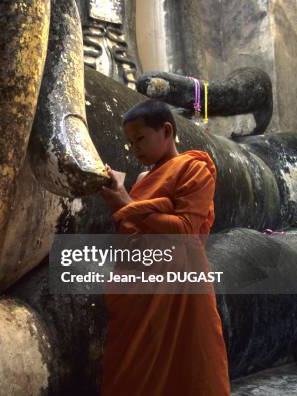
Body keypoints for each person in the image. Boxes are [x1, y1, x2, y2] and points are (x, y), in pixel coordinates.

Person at [99, 99, 230, 395]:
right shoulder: (144, 179)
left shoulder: (195, 169)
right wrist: (117, 198)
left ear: (167, 130)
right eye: (131, 142)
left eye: (141, 138)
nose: (135, 148)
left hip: (181, 286)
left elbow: (184, 228)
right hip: (142, 287)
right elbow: (132, 227)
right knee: (131, 370)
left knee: (190, 366)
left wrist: (128, 204)